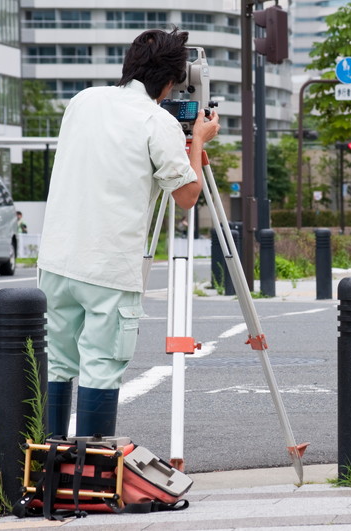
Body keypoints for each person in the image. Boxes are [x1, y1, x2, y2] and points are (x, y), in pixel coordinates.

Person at [37, 28, 220, 438]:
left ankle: (46, 471)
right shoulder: (158, 122)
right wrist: (198, 141)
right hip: (109, 268)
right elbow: (188, 196)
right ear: (172, 80)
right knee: (101, 365)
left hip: (56, 260)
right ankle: (90, 473)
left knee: (58, 361)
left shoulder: (83, 100)